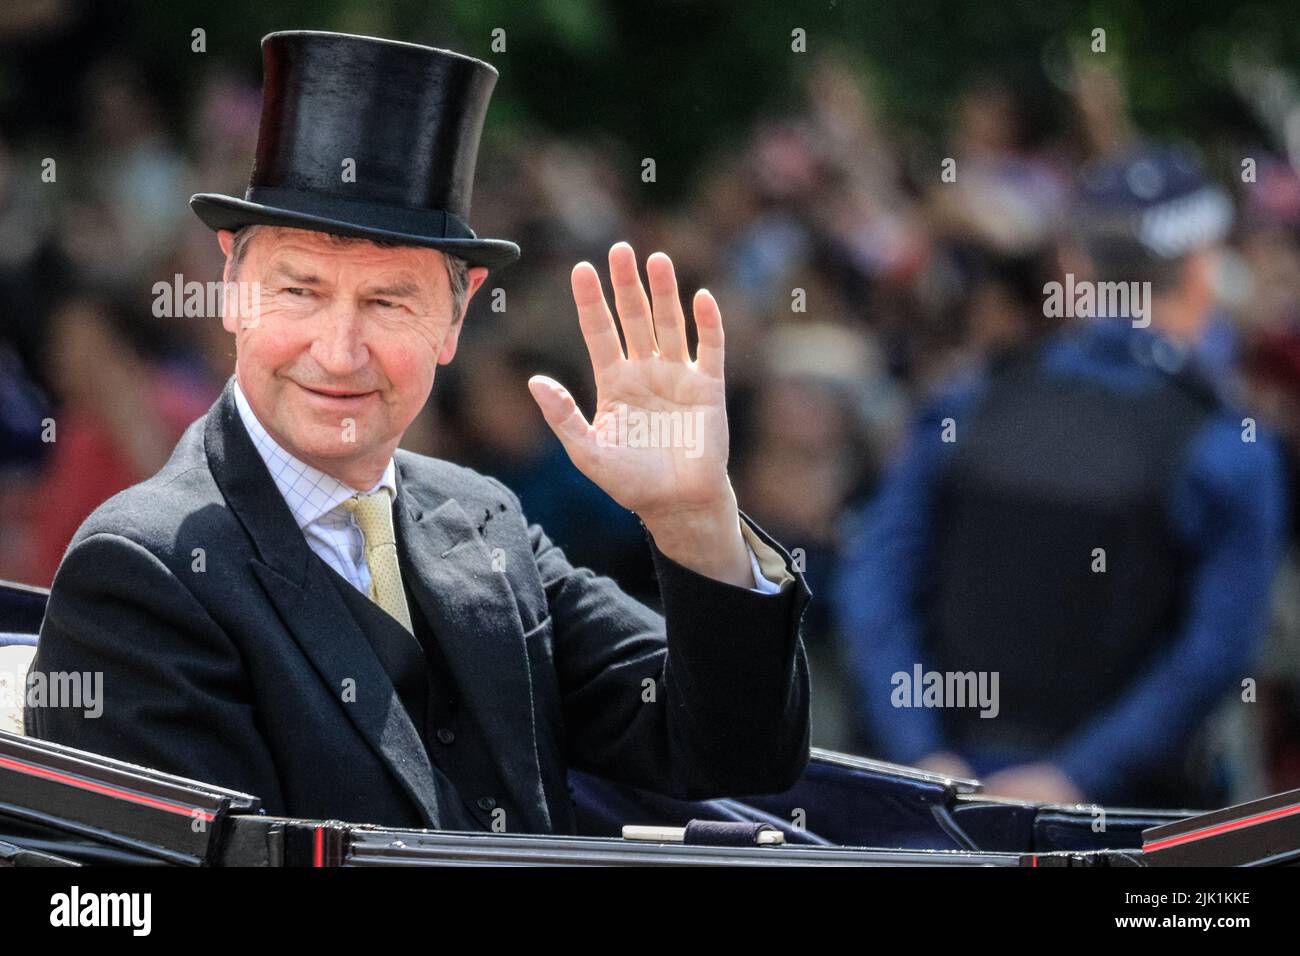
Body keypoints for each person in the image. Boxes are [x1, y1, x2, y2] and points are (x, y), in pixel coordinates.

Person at [26, 31, 811, 835]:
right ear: (232, 289)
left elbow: (732, 756)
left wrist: (692, 521)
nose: (338, 351)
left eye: (389, 302)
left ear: (456, 316)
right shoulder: (141, 573)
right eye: (300, 290)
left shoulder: (484, 522)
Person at [832, 145, 1288, 809]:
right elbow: (1218, 649)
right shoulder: (1229, 442)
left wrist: (923, 757)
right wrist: (1075, 778)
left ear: (1074, 265)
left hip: (947, 806)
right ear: (1203, 270)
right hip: (1129, 825)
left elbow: (875, 586)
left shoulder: (969, 402)